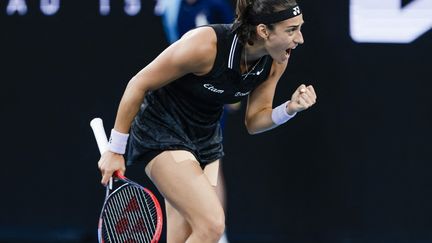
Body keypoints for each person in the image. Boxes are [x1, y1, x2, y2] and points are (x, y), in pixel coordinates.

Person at [98, 0, 317, 242]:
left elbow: (254, 121)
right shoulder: (205, 45)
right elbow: (138, 84)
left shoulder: (276, 60)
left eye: (299, 28)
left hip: (205, 138)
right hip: (161, 130)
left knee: (186, 234)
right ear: (264, 31)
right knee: (212, 225)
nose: (300, 39)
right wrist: (115, 149)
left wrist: (289, 109)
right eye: (291, 30)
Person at [154, 1, 236, 242]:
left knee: (211, 163)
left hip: (211, 99)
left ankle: (218, 234)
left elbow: (233, 48)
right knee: (182, 165)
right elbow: (174, 52)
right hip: (181, 100)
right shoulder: (172, 8)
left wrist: (231, 87)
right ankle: (199, 228)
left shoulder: (217, 6)